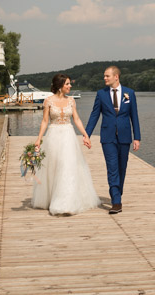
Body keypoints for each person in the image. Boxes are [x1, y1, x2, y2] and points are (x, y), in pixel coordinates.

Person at [32, 74, 101, 215]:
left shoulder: (71, 101)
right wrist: (39, 139)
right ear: (60, 85)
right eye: (67, 84)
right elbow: (45, 121)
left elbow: (76, 119)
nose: (70, 86)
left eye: (70, 83)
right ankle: (52, 198)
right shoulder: (48, 101)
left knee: (67, 167)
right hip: (53, 136)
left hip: (69, 136)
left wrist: (85, 134)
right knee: (54, 167)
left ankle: (65, 203)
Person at [84, 66, 141, 214]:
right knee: (112, 168)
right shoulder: (101, 94)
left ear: (116, 77)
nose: (104, 78)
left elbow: (134, 116)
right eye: (104, 76)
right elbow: (94, 115)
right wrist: (86, 134)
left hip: (125, 137)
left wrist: (137, 138)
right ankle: (116, 201)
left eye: (107, 76)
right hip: (108, 137)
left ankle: (117, 192)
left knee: (122, 167)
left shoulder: (130, 93)